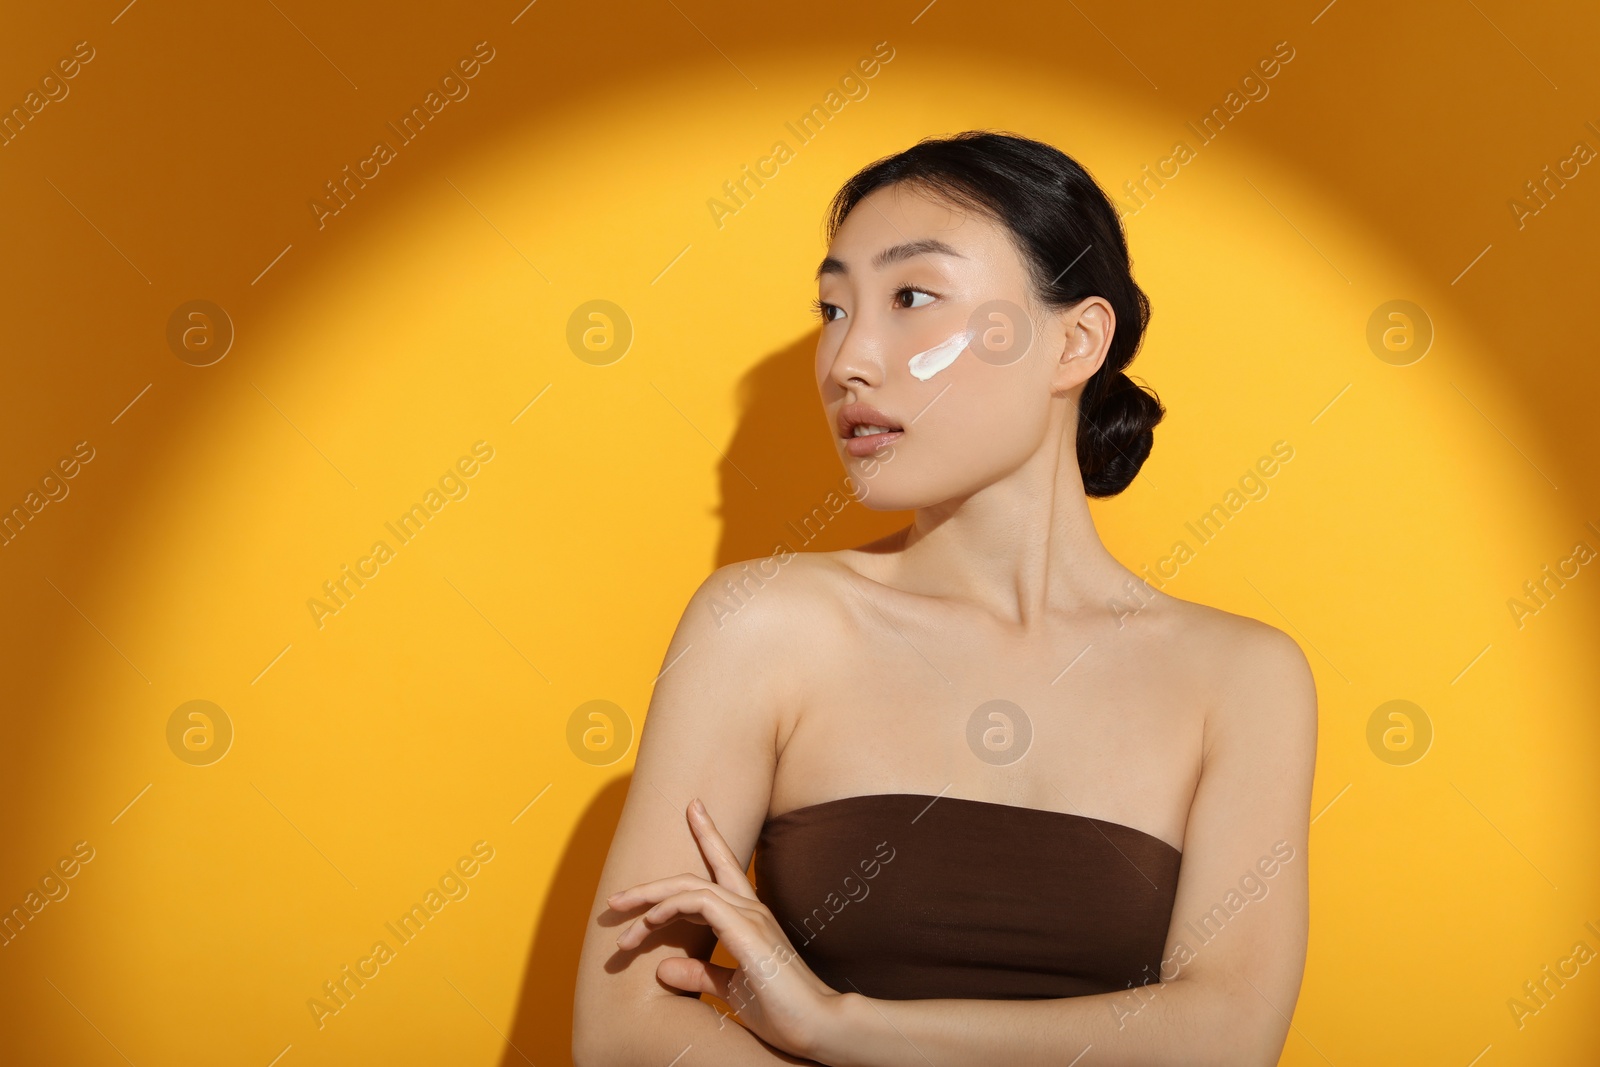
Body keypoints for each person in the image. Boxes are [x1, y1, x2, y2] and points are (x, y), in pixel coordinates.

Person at [572, 130, 1317, 1067]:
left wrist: (838, 1026)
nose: (849, 358)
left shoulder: (1242, 677)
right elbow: (626, 1028)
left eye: (911, 297)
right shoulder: (761, 625)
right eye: (833, 308)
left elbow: (1223, 1038)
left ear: (1074, 341)